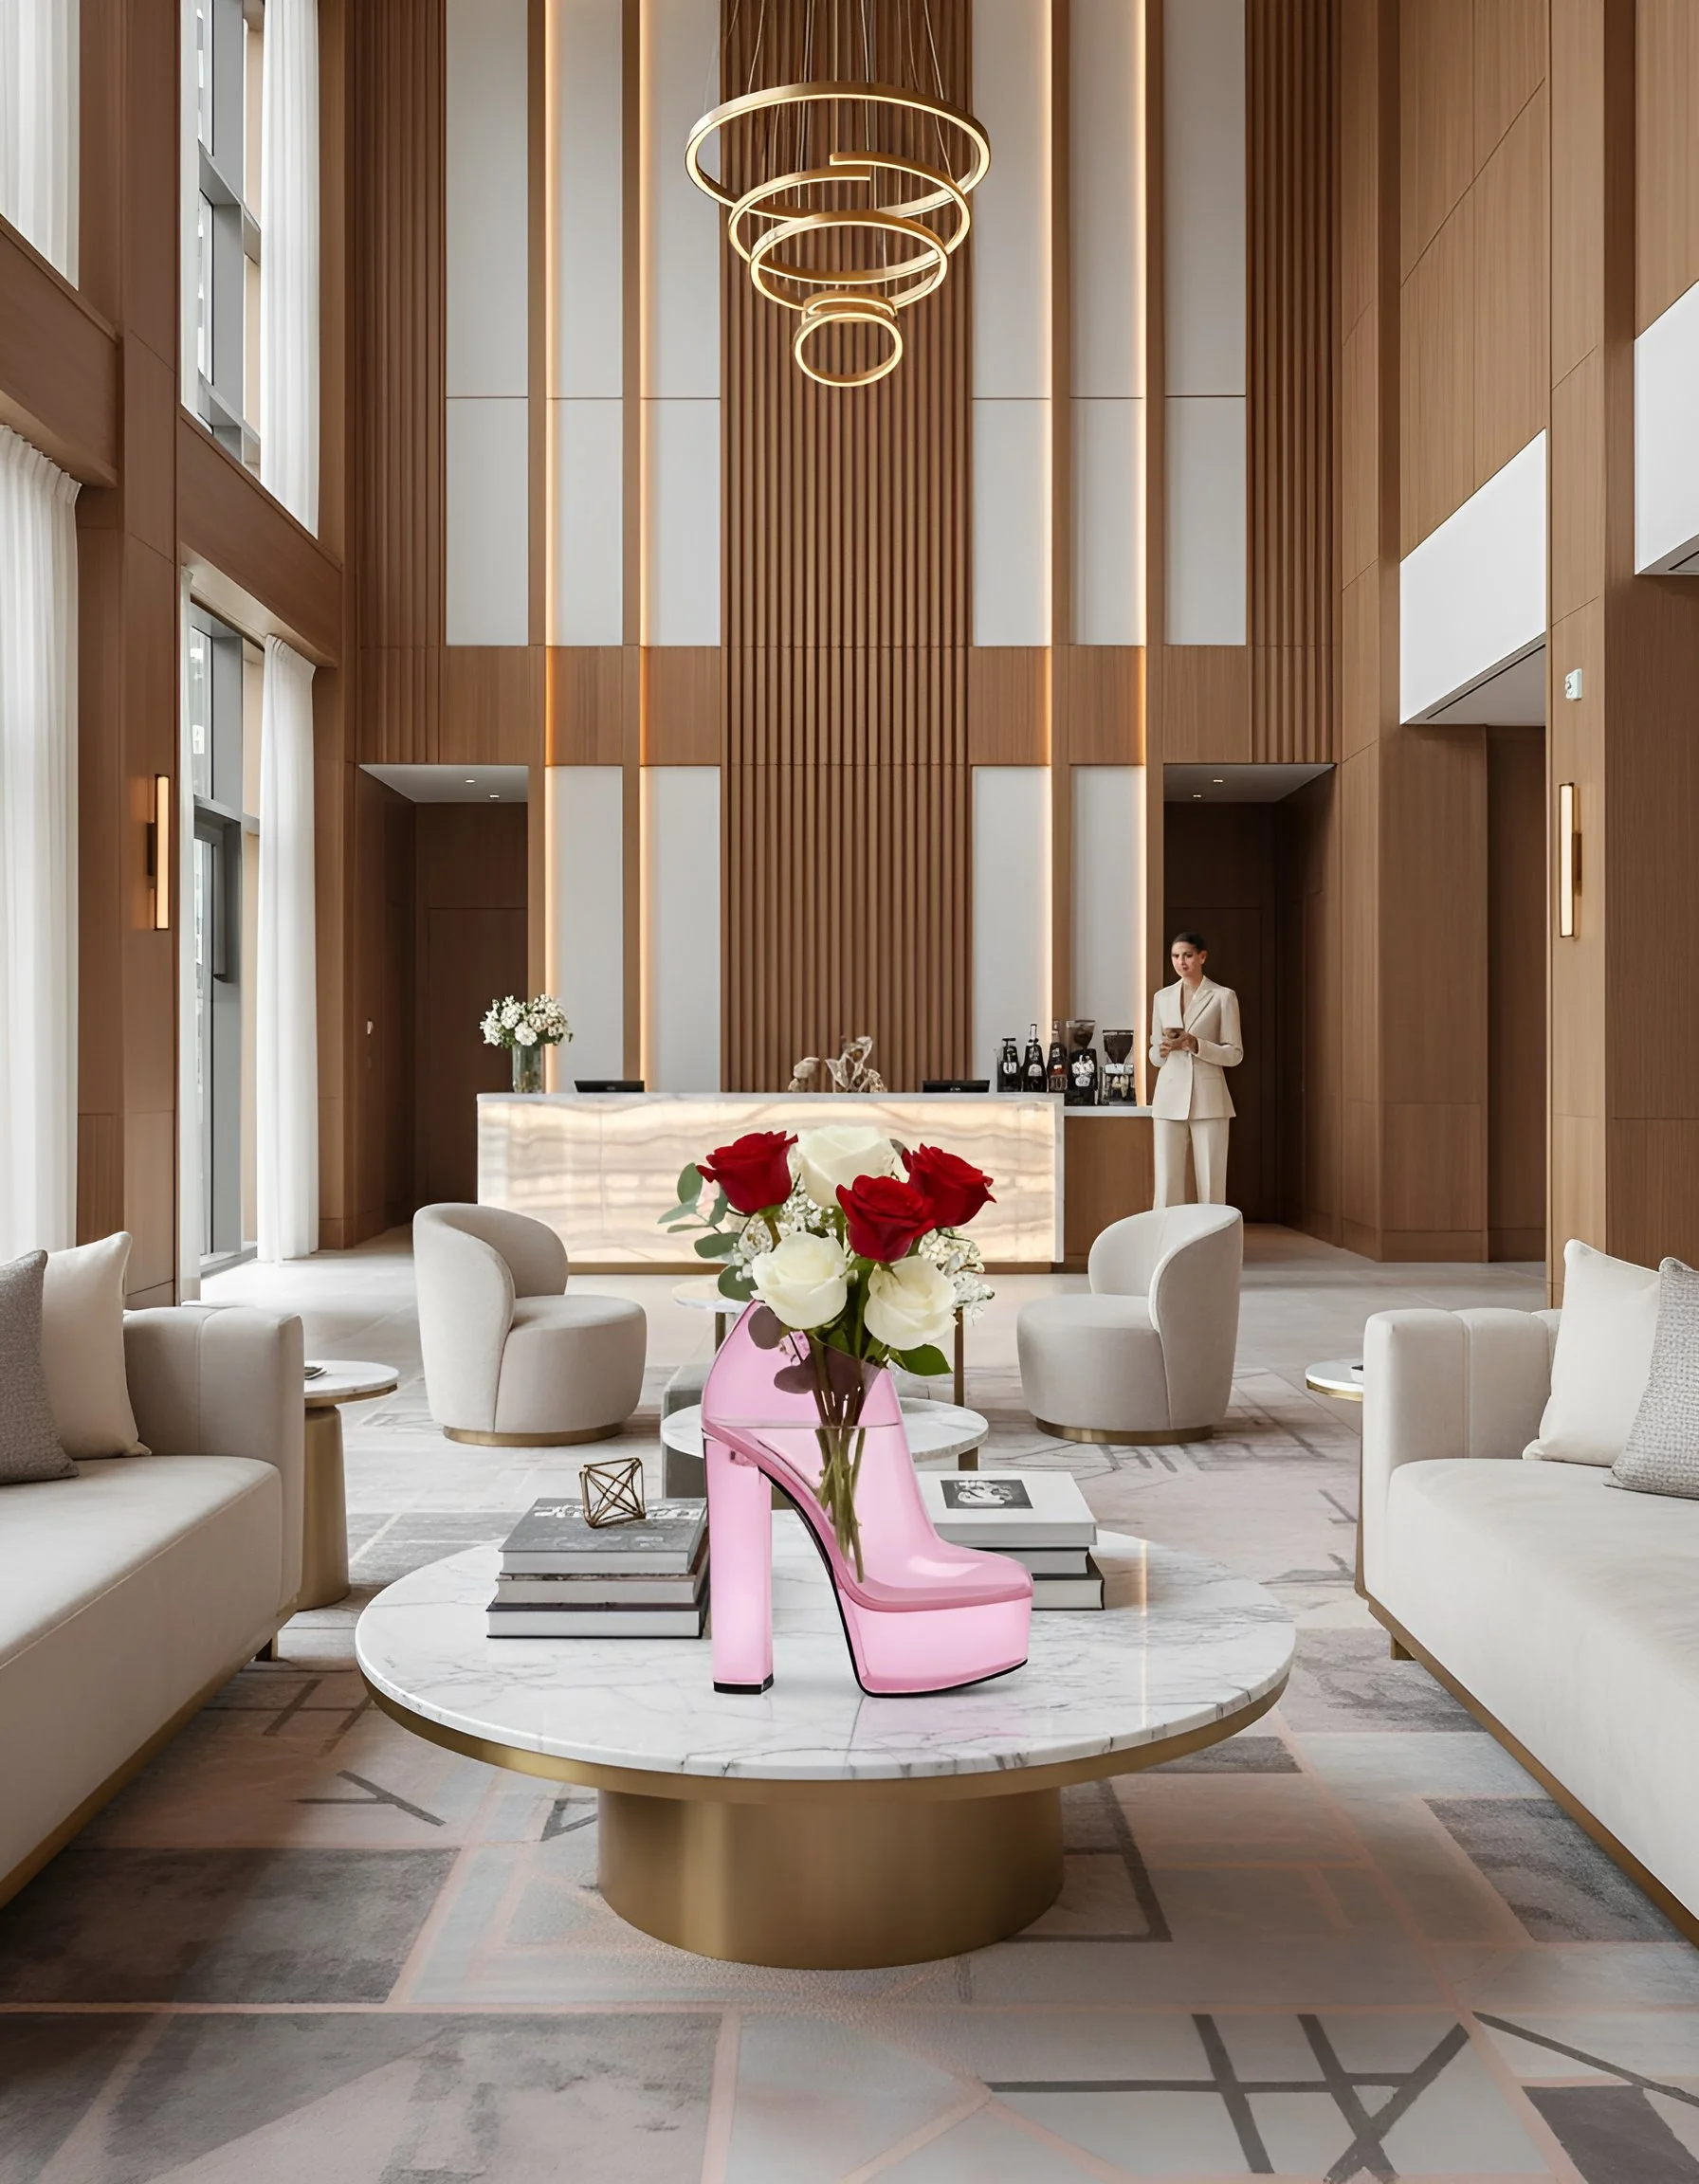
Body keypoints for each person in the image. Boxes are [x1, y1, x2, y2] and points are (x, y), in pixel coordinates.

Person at [1148, 931, 1243, 1207]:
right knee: (1166, 1185)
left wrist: (1196, 1044)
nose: (1181, 962)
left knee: (1212, 1184)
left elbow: (1235, 1054)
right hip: (1168, 1099)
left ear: (1202, 956)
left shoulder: (1223, 997)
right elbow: (1154, 1053)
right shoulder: (1162, 998)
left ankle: (1213, 1248)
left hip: (1210, 1100)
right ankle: (1166, 1245)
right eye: (1176, 956)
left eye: (1188, 955)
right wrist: (1161, 1051)